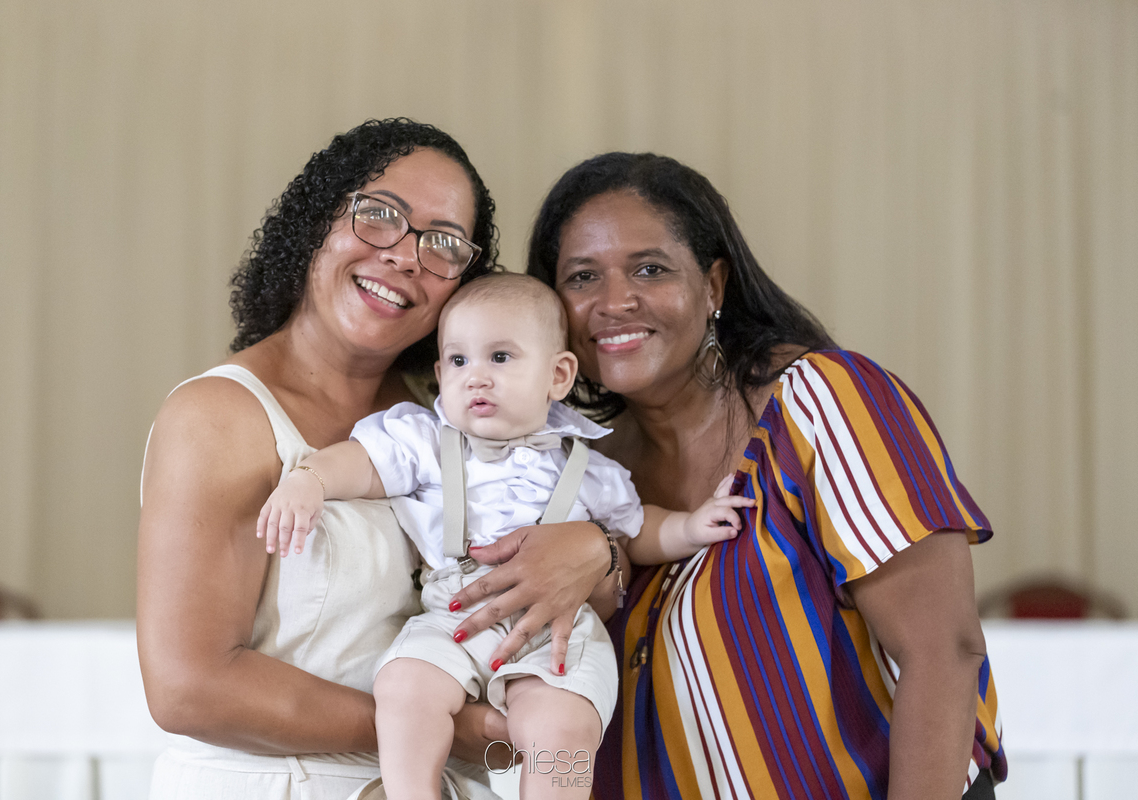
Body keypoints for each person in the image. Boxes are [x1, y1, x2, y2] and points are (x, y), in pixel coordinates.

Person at [136, 119, 614, 799]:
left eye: (442, 242)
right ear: (316, 222)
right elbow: (189, 688)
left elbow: (574, 525)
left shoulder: (447, 413)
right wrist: (438, 725)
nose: (406, 256)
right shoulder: (219, 416)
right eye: (379, 214)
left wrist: (597, 549)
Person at [505, 151, 1007, 799]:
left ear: (714, 286)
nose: (615, 301)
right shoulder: (574, 473)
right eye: (581, 277)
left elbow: (943, 651)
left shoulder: (820, 403)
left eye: (650, 269)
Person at [257, 272, 754, 800]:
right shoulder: (427, 441)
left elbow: (638, 531)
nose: (476, 377)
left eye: (499, 357)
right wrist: (310, 480)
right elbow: (364, 464)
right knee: (403, 685)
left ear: (557, 376)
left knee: (562, 726)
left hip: (558, 628)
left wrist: (691, 525)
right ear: (439, 374)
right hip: (455, 614)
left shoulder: (586, 467)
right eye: (458, 360)